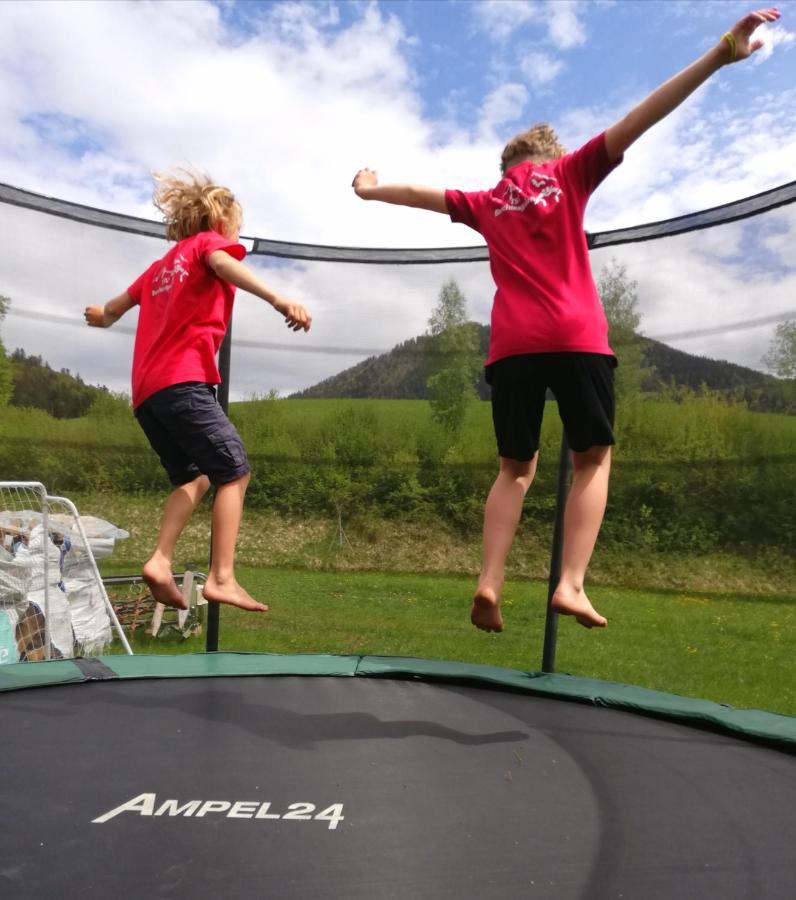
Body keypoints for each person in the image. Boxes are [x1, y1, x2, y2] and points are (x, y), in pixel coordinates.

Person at [352, 8, 780, 633]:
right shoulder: (571, 172)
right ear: (549, 155)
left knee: (513, 470)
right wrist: (720, 53)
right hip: (577, 335)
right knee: (592, 460)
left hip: (513, 347)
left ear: (507, 169)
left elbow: (421, 194)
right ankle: (571, 585)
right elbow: (643, 117)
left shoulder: (487, 200)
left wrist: (370, 188)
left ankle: (490, 581)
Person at [85, 170, 311, 613]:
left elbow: (112, 311)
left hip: (147, 395)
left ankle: (159, 560)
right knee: (234, 469)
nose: (238, 235)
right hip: (184, 382)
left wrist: (100, 315)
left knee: (196, 476)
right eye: (238, 227)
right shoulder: (209, 246)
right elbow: (226, 266)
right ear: (221, 221)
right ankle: (222, 576)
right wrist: (280, 300)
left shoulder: (158, 268)